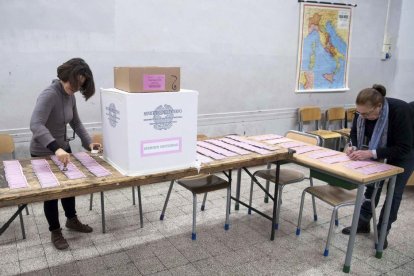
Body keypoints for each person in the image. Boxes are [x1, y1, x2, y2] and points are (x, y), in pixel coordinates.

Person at [30, 58, 101, 250]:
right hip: (44, 150)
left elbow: (75, 123)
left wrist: (89, 144)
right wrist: (55, 147)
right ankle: (55, 231)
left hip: (62, 149)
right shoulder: (49, 95)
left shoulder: (71, 96)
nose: (76, 89)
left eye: (81, 86)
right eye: (74, 85)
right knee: (51, 194)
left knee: (69, 187)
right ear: (65, 77)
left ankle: (72, 220)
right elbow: (35, 124)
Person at [341, 84, 414, 249]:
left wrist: (371, 153)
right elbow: (354, 132)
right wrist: (352, 145)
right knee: (372, 186)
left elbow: (403, 147)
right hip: (379, 148)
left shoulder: (400, 111)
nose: (363, 117)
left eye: (367, 114)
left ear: (379, 107)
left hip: (405, 151)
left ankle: (383, 231)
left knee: (393, 193)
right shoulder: (362, 112)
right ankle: (363, 223)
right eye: (360, 113)